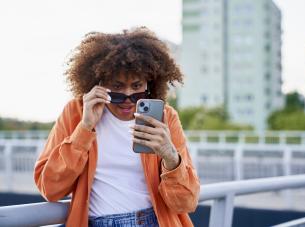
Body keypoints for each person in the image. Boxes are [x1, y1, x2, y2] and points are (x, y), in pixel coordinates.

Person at [33, 27, 200, 227]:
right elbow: (50, 188)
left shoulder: (165, 118)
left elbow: (187, 202)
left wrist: (170, 157)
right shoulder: (76, 113)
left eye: (137, 87)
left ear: (150, 83)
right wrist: (85, 128)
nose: (128, 98)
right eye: (117, 88)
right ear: (99, 83)